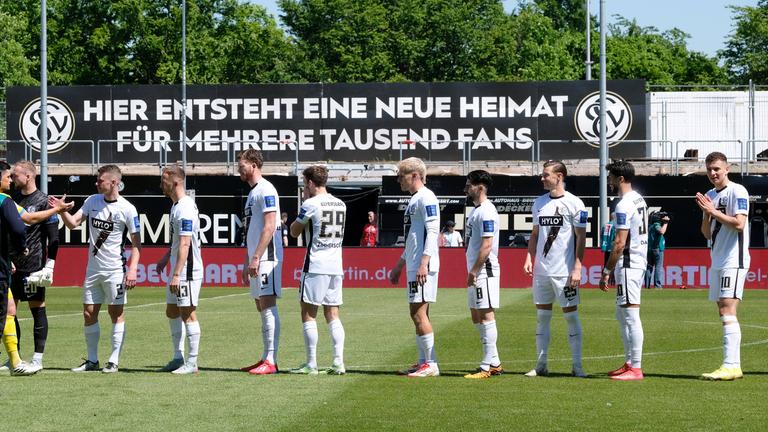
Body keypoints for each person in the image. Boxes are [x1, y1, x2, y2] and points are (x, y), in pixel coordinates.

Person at [59, 165, 142, 373]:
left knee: (116, 313)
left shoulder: (127, 208)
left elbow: (136, 244)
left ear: (114, 182)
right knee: (88, 313)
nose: (97, 183)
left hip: (115, 269)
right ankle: (92, 360)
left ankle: (113, 360)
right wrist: (62, 212)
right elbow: (73, 224)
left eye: (101, 181)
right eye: (97, 180)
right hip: (93, 269)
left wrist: (132, 270)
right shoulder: (92, 201)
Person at [0, 161, 71, 375]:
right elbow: (25, 221)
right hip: (11, 265)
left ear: (28, 177)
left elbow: (53, 237)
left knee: (34, 308)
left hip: (32, 266)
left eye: (15, 176)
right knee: (10, 311)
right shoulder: (10, 199)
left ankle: (36, 358)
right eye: (9, 176)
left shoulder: (42, 200)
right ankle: (16, 357)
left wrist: (49, 265)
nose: (12, 179)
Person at [523, 160, 587, 378]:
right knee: (542, 317)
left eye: (546, 175)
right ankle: (541, 365)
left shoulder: (575, 204)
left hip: (564, 272)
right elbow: (534, 234)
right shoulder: (539, 203)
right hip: (542, 271)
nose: (542, 178)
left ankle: (577, 366)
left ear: (559, 176)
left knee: (571, 317)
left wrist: (577, 266)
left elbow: (581, 238)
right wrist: (529, 257)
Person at [696, 152, 750, 381]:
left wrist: (713, 212)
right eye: (709, 169)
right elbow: (706, 233)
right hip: (717, 259)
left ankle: (731, 365)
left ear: (727, 168)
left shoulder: (738, 191)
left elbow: (739, 224)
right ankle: (731, 365)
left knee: (728, 309)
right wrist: (706, 215)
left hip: (733, 259)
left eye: (717, 169)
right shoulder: (709, 195)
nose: (713, 173)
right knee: (722, 310)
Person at [288, 165, 347, 375]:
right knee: (332, 314)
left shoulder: (310, 204)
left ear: (311, 183)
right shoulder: (340, 203)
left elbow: (294, 232)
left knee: (308, 314)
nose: (305, 188)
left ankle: (311, 363)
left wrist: (302, 210)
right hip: (336, 264)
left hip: (315, 264)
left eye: (305, 184)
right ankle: (338, 361)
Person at [388, 157, 440, 377]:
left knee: (419, 314)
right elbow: (413, 237)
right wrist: (400, 264)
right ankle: (423, 361)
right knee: (418, 313)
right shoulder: (415, 199)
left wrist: (424, 263)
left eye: (401, 175)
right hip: (415, 263)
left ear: (415, 175)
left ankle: (431, 363)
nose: (399, 179)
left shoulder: (426, 198)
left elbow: (433, 230)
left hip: (422, 265)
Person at [599, 160, 648, 381]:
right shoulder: (638, 198)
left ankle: (636, 367)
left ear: (620, 179)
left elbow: (619, 243)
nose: (608, 181)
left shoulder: (624, 204)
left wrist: (607, 270)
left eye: (610, 177)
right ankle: (629, 362)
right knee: (622, 314)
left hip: (629, 262)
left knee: (630, 315)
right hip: (635, 261)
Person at [237, 149, 283, 375]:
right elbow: (251, 231)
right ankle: (265, 356)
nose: (239, 168)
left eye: (242, 164)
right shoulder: (252, 193)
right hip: (256, 257)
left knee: (267, 304)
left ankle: (271, 360)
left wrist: (257, 257)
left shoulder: (266, 189)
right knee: (260, 305)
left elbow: (269, 225)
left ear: (254, 164)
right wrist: (248, 260)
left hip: (268, 257)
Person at [155, 165, 203, 374]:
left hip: (187, 270)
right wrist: (166, 258)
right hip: (178, 266)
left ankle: (192, 362)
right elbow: (178, 241)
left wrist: (176, 274)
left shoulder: (184, 207)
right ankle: (178, 357)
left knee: (188, 313)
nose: (161, 184)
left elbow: (185, 243)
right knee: (172, 310)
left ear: (175, 182)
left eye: (163, 180)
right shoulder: (176, 206)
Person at [462, 170, 503, 379]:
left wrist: (474, 271)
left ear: (479, 187)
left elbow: (487, 245)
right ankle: (494, 361)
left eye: (469, 185)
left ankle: (486, 366)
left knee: (486, 314)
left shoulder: (487, 210)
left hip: (484, 270)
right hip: (476, 270)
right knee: (475, 314)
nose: (466, 188)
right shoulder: (477, 211)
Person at [0, 163, 28, 375]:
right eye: (7, 176)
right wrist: (21, 247)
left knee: (10, 308)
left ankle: (16, 362)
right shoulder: (5, 201)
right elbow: (19, 227)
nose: (10, 180)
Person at [645, 211, 670, 289]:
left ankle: (647, 285)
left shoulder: (650, 226)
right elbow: (661, 231)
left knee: (649, 267)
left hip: (650, 249)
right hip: (657, 249)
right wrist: (666, 223)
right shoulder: (656, 225)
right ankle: (657, 285)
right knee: (658, 267)